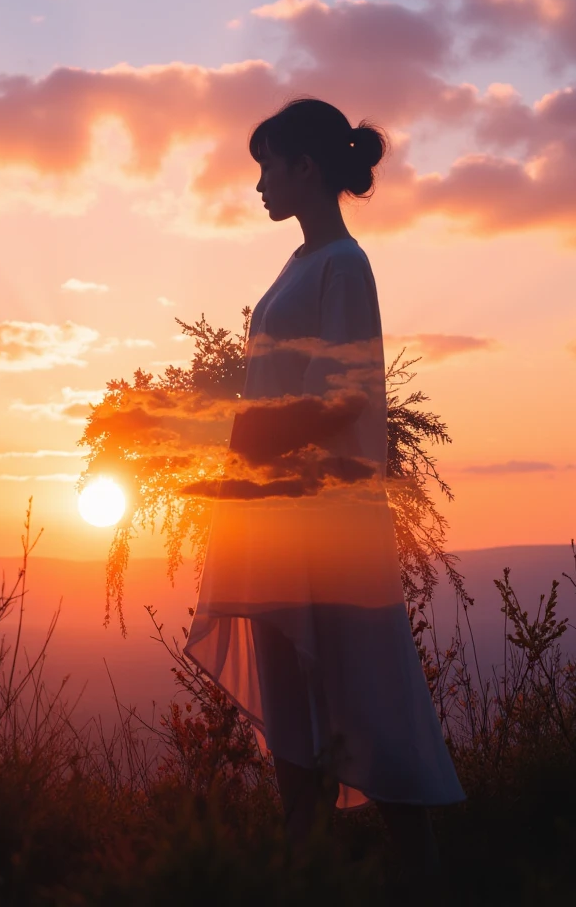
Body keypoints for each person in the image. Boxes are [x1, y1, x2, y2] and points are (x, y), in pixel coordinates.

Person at [183, 97, 465, 881]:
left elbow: (343, 392)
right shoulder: (302, 263)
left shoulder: (345, 264)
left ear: (307, 167)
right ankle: (303, 877)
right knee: (296, 719)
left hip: (323, 524)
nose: (260, 184)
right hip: (275, 521)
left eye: (268, 165)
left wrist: (252, 437)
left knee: (369, 698)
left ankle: (425, 883)